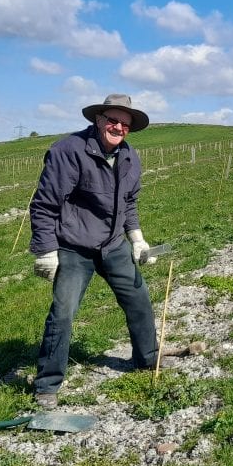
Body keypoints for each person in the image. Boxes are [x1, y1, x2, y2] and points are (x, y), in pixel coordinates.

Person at [29, 93, 160, 409]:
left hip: (113, 244)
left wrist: (137, 239)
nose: (118, 127)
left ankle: (147, 361)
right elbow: (44, 205)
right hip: (74, 247)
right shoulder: (68, 152)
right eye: (112, 120)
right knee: (63, 312)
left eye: (124, 123)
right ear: (97, 120)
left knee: (139, 300)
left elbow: (128, 203)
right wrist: (46, 251)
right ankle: (47, 386)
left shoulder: (130, 157)